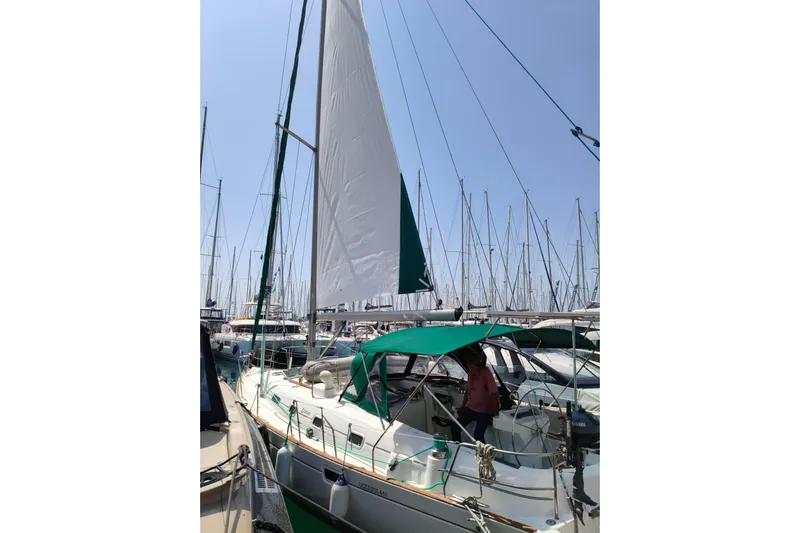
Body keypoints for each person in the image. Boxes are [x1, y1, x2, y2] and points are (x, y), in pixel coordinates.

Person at [452, 347, 499, 443]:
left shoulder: (486, 373)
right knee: (455, 427)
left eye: (468, 364)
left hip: (484, 411)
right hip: (471, 408)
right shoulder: (470, 373)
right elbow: (467, 392)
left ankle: (483, 451)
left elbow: (494, 393)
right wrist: (462, 407)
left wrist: (495, 410)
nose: (467, 366)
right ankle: (458, 447)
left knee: (478, 435)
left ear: (474, 364)